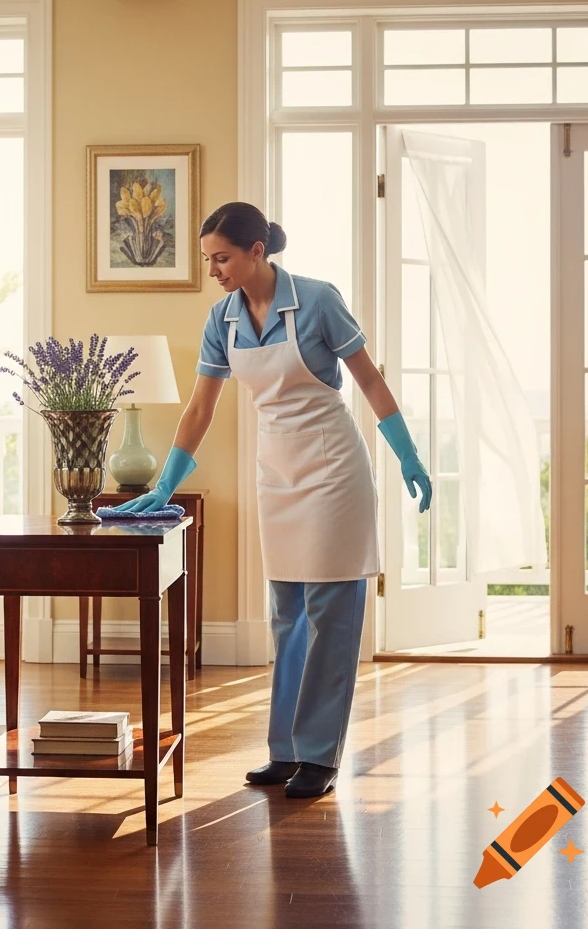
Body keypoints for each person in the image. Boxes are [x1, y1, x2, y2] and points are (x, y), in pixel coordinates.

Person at [108, 201, 431, 798]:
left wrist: (406, 452)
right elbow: (200, 408)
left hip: (333, 469)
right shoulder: (222, 318)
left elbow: (368, 380)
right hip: (277, 474)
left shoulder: (317, 298)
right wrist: (162, 486)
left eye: (223, 257)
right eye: (209, 260)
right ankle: (285, 751)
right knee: (287, 617)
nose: (215, 270)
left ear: (258, 250)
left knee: (331, 616)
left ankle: (320, 756)